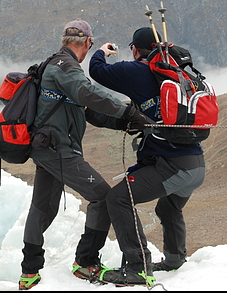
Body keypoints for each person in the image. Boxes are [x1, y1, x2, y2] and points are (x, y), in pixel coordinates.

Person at [19, 20, 152, 291]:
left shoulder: (56, 65)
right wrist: (128, 112)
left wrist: (122, 123)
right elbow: (88, 93)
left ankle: (29, 272)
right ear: (87, 43)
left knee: (42, 208)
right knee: (103, 197)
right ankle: (86, 262)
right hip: (60, 152)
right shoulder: (65, 67)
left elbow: (86, 110)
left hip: (47, 149)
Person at [88, 27, 207, 287]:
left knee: (118, 199)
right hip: (196, 164)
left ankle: (138, 268)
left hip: (173, 167)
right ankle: (174, 260)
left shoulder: (136, 70)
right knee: (168, 207)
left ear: (135, 49)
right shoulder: (177, 74)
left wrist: (101, 51)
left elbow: (96, 71)